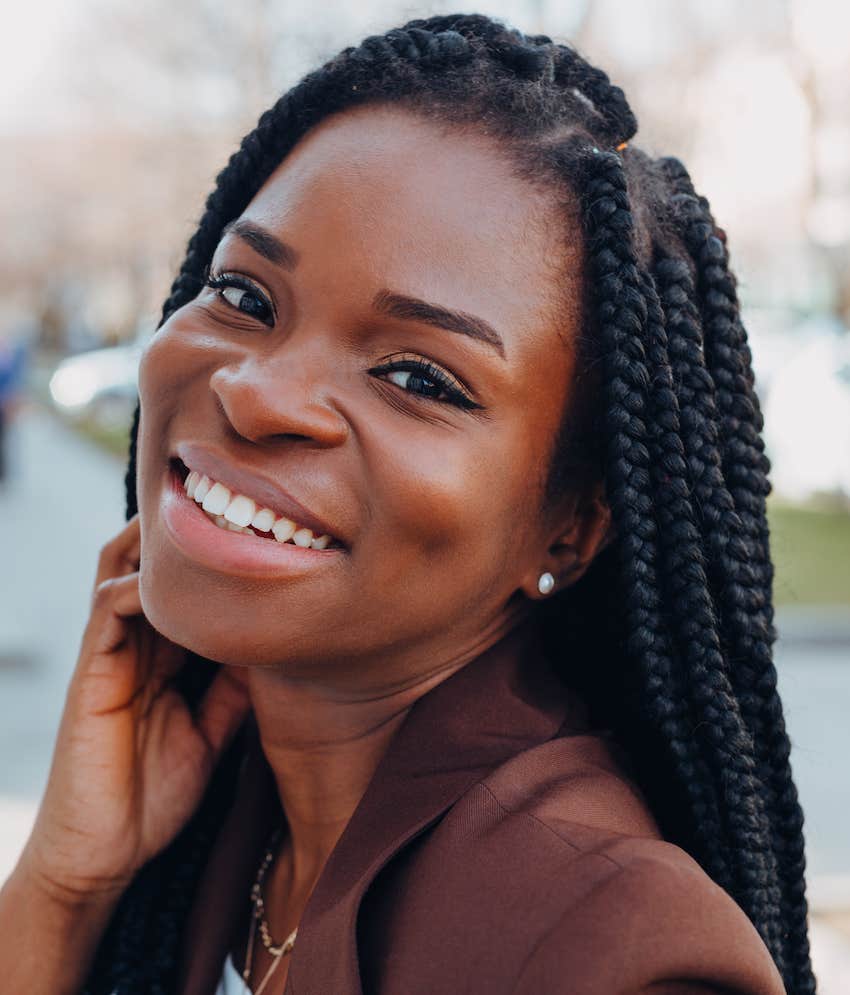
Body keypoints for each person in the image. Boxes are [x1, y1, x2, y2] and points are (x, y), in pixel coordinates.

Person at [0, 12, 814, 995]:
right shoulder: (235, 803)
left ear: (573, 525)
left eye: (420, 377)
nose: (256, 390)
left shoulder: (610, 950)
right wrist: (63, 882)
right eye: (247, 296)